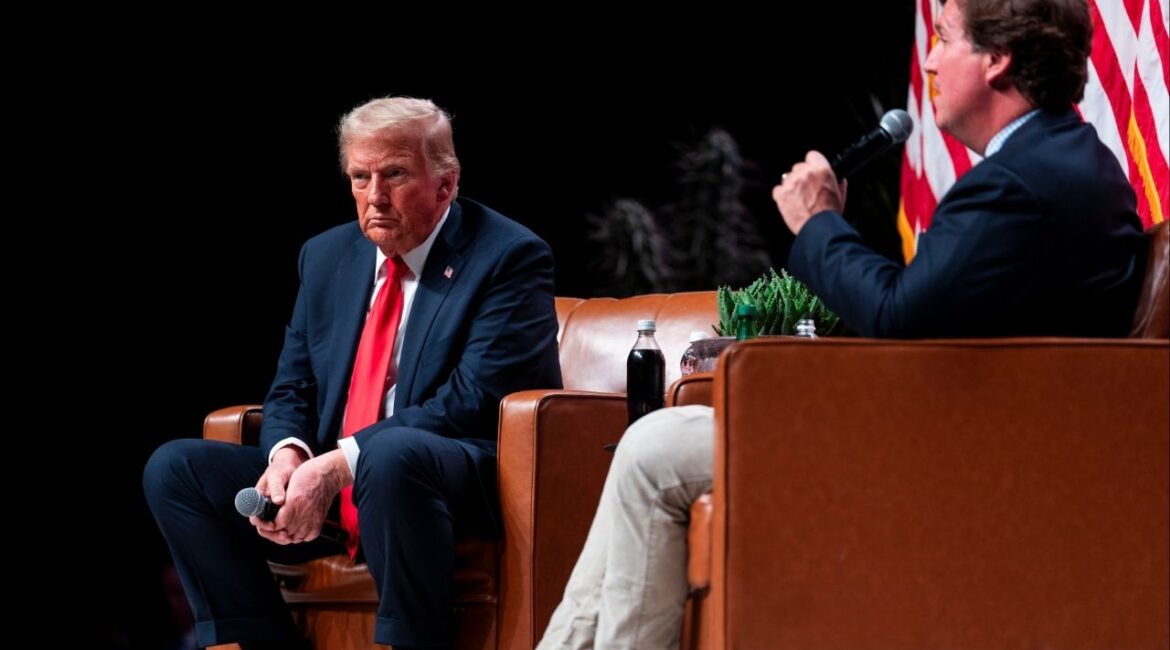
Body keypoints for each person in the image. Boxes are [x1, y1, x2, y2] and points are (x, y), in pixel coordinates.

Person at [537, 1, 1146, 648]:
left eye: (943, 41)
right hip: (975, 432)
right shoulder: (1063, 162)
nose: (930, 61)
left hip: (972, 456)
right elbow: (930, 316)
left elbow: (896, 314)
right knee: (655, 441)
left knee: (655, 453)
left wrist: (820, 222)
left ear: (997, 61)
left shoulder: (1019, 183)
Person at [145, 96, 562, 650]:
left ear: (446, 184)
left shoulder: (508, 255)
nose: (375, 197)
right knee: (176, 468)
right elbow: (294, 384)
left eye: (394, 175)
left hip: (446, 473)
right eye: (360, 177)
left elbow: (470, 400)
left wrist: (341, 464)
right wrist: (288, 456)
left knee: (392, 457)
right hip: (338, 473)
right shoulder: (326, 256)